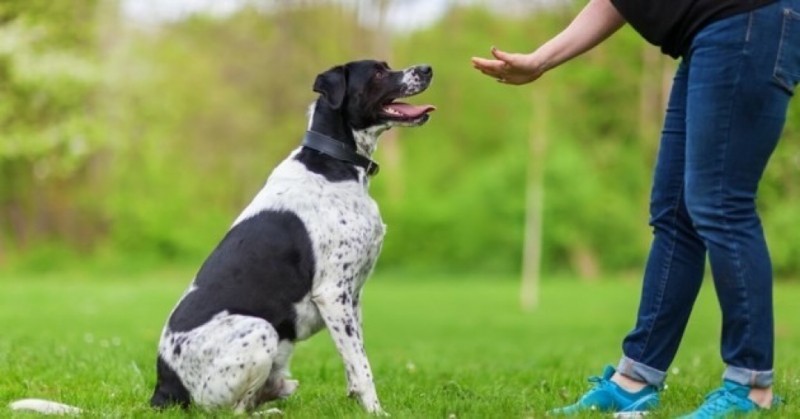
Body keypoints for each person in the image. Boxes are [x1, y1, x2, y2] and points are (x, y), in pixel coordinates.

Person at [472, 0, 799, 417]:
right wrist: (541, 59)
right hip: (707, 36)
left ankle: (751, 385)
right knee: (674, 215)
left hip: (746, 21)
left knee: (720, 203)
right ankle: (636, 379)